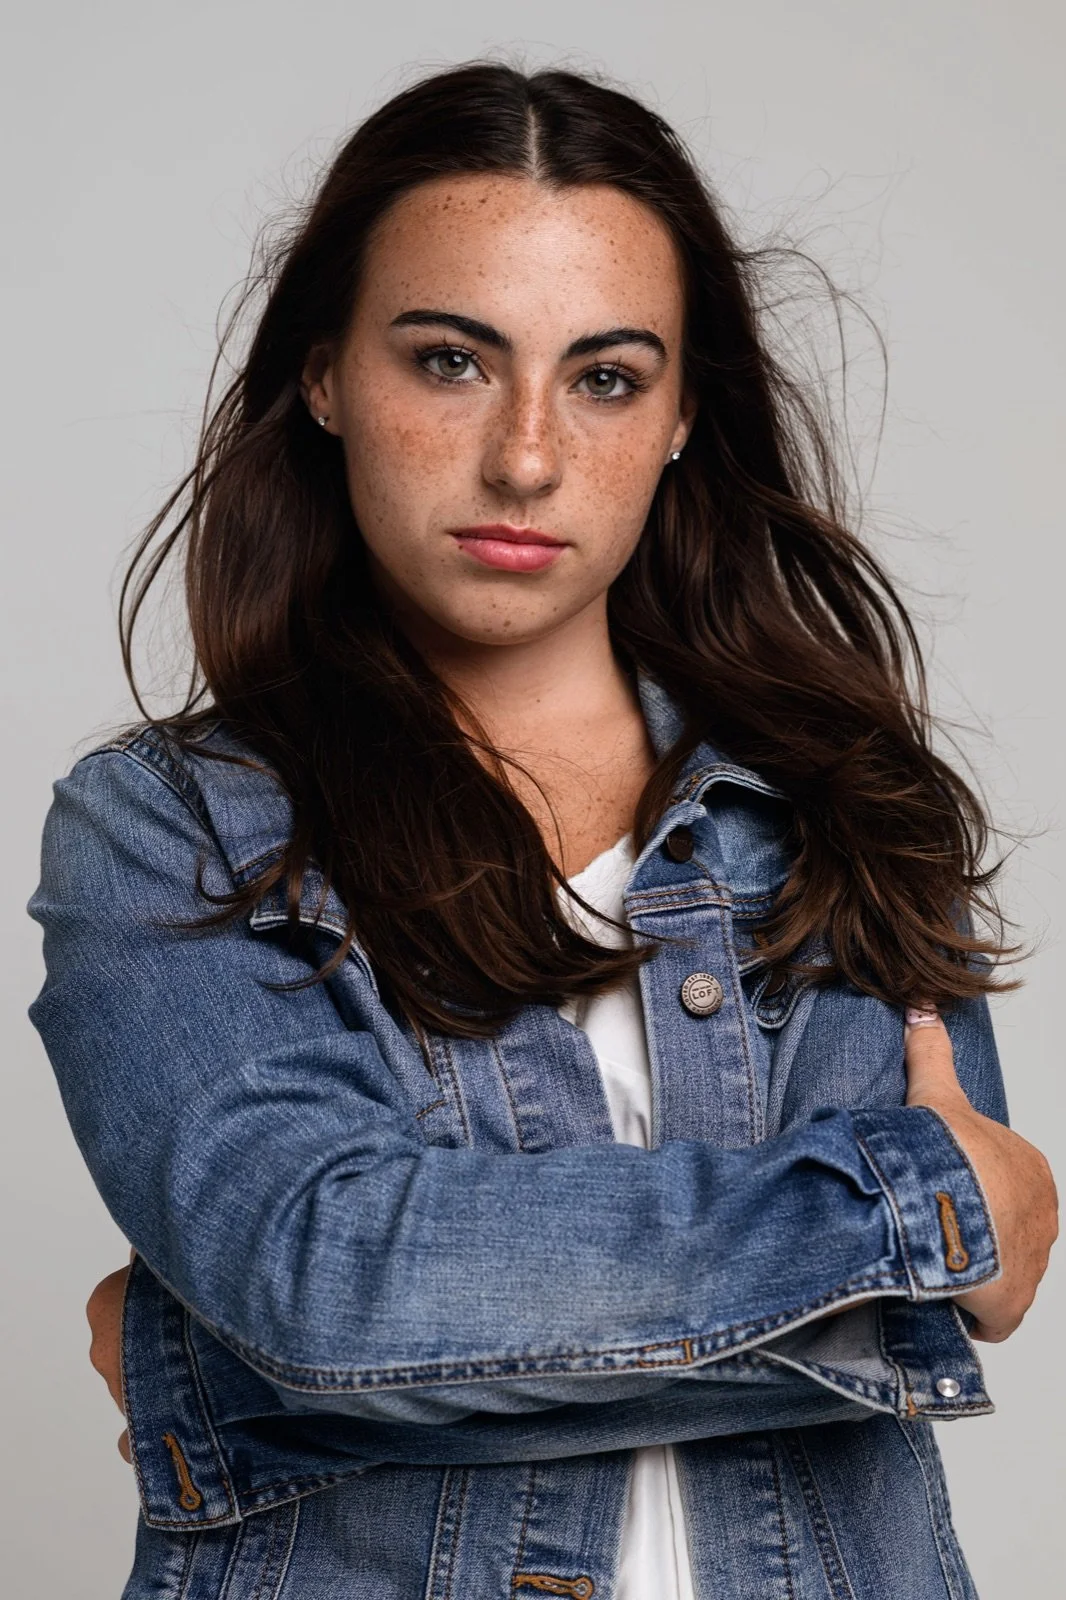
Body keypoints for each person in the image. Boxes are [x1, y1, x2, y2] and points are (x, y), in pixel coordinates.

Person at [28, 60, 1056, 1600]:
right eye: (449, 361)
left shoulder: (840, 805)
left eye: (605, 376)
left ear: (683, 411)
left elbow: (924, 1329)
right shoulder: (167, 829)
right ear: (322, 376)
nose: (523, 455)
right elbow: (332, 1287)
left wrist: (209, 1372)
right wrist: (894, 1218)